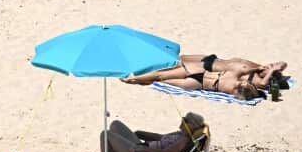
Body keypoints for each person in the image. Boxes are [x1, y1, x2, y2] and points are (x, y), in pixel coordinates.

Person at [122, 56, 288, 99]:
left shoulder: (238, 78)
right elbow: (282, 64)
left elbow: (262, 87)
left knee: (160, 76)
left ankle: (134, 78)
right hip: (198, 82)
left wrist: (266, 70)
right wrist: (270, 69)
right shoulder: (235, 86)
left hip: (200, 75)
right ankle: (135, 79)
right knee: (160, 77)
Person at [101, 112, 207, 152]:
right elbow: (160, 137)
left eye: (185, 120)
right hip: (143, 148)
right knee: (115, 124)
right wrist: (140, 133)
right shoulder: (180, 134)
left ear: (191, 125)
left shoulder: (184, 141)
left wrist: (142, 149)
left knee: (105, 134)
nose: (182, 120)